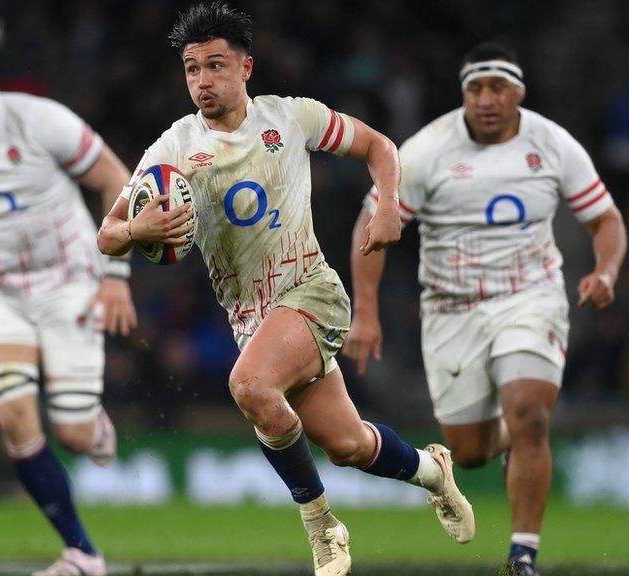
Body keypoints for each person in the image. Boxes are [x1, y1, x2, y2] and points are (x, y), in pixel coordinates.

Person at [97, 4, 474, 576]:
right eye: (192, 69)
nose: (202, 81)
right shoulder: (172, 149)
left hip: (311, 292)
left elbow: (379, 147)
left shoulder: (290, 118)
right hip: (253, 320)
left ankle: (323, 528)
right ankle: (431, 471)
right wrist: (136, 229)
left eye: (215, 66)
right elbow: (108, 235)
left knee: (248, 384)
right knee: (349, 446)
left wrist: (390, 203)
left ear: (246, 68)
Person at [344, 42, 627, 576]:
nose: (487, 99)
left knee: (532, 417)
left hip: (531, 296)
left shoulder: (552, 143)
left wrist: (606, 271)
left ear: (519, 93)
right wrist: (367, 313)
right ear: (464, 94)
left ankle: (523, 555)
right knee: (469, 452)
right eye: (476, 88)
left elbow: (606, 219)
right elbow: (371, 223)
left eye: (499, 88)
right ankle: (505, 437)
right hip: (452, 308)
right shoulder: (429, 149)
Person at [0, 44, 137, 576]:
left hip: (70, 279)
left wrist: (117, 276)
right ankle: (82, 553)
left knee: (75, 437)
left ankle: (90, 426)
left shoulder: (40, 120)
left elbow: (115, 178)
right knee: (15, 419)